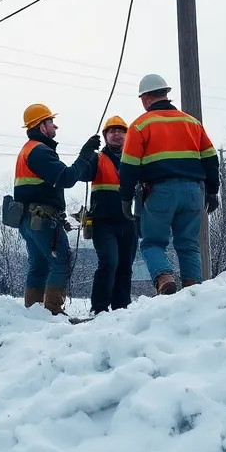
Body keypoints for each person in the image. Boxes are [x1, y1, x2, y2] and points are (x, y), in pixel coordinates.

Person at [117, 75, 220, 295]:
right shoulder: (192, 123)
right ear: (165, 93)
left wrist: (125, 198)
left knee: (152, 243)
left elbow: (129, 167)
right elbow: (211, 159)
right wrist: (212, 191)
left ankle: (164, 278)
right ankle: (193, 291)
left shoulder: (140, 125)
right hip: (193, 191)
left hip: (159, 191)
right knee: (189, 245)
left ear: (145, 98)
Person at [13, 103, 100, 316]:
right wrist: (85, 154)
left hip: (28, 219)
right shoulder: (39, 151)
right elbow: (67, 178)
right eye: (51, 122)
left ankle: (33, 312)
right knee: (61, 258)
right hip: (41, 219)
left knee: (39, 265)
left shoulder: (29, 150)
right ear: (41, 126)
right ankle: (53, 311)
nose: (55, 127)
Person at [88, 115, 138, 315]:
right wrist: (86, 151)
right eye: (112, 131)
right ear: (105, 136)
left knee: (125, 267)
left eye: (121, 131)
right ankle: (99, 309)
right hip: (103, 222)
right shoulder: (97, 159)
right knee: (109, 263)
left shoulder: (134, 160)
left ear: (127, 135)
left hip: (128, 221)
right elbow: (82, 174)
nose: (117, 134)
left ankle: (121, 310)